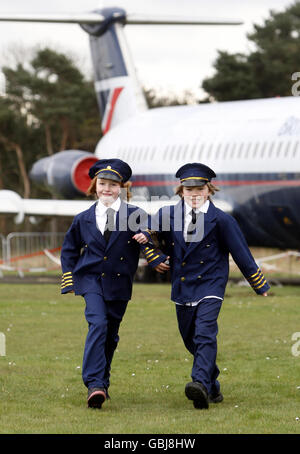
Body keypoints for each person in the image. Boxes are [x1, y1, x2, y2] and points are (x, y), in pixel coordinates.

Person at [134, 162, 270, 410]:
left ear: (209, 190)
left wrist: (258, 283)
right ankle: (212, 385)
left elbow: (241, 253)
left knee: (205, 334)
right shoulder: (167, 214)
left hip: (211, 284)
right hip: (182, 286)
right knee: (190, 340)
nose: (194, 194)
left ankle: (199, 384)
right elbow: (146, 234)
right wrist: (154, 257)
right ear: (181, 191)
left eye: (199, 189)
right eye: (189, 190)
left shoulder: (221, 220)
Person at [60, 158, 162, 409]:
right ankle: (93, 383)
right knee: (98, 324)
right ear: (94, 186)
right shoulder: (82, 218)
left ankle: (101, 384)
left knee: (110, 335)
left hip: (119, 283)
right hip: (90, 279)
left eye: (113, 185)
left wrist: (149, 243)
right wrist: (68, 278)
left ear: (122, 188)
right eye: (102, 184)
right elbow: (69, 250)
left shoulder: (135, 214)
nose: (107, 189)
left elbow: (149, 237)